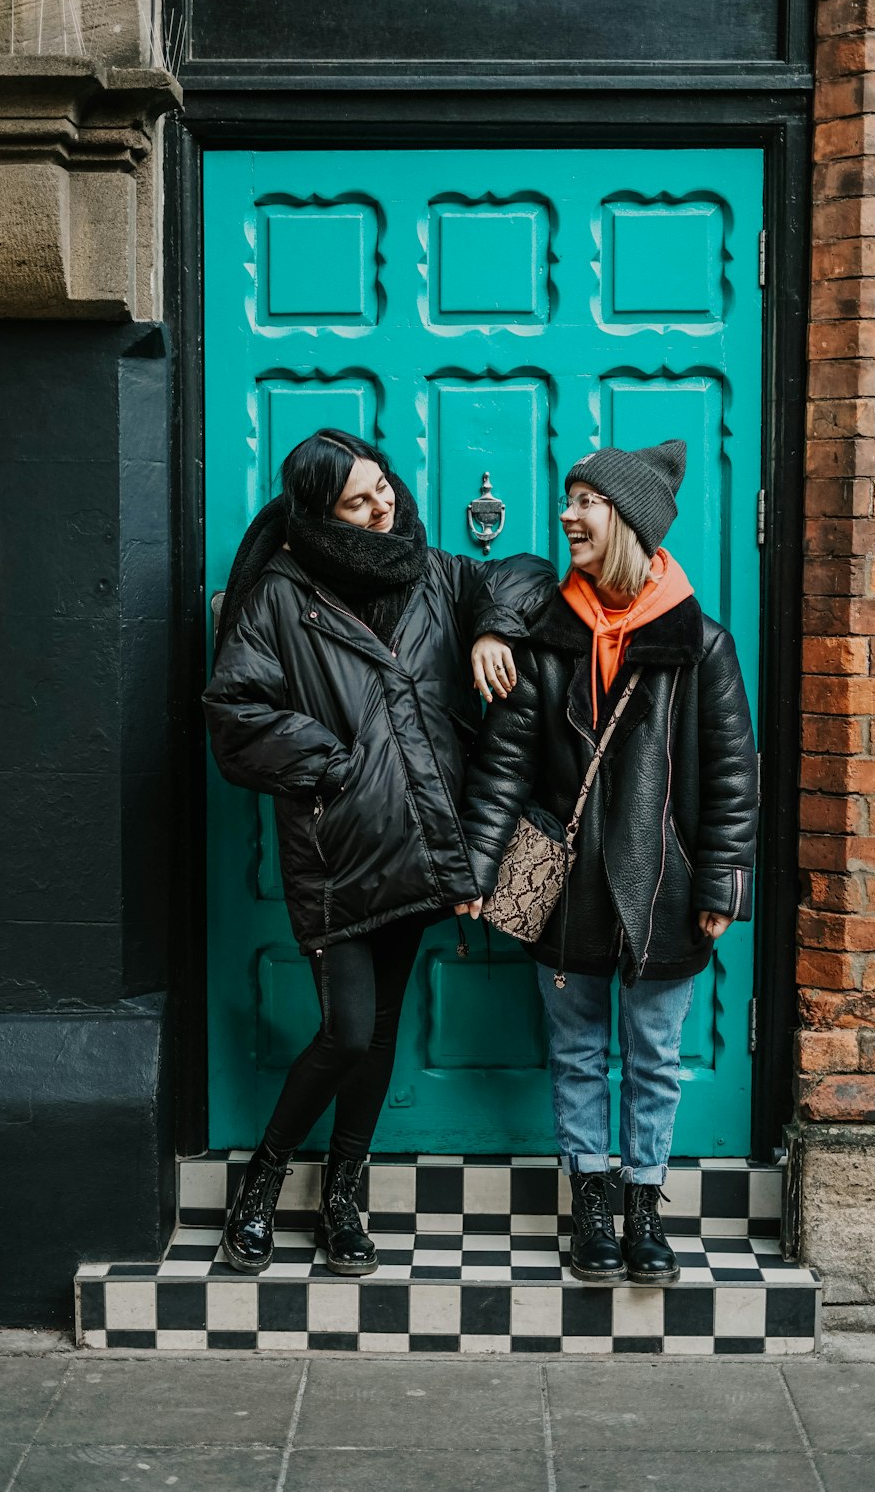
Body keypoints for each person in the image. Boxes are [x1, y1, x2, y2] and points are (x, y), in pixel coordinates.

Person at [203, 428, 554, 1277]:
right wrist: (337, 765)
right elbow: (233, 716)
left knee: (381, 1027)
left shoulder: (432, 571)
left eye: (384, 487)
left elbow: (531, 573)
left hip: (421, 848)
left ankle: (343, 1196)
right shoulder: (283, 594)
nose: (384, 506)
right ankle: (262, 1183)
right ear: (322, 512)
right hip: (336, 850)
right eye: (360, 501)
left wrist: (491, 629)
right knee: (346, 1030)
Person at [457, 441, 758, 1284]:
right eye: (567, 497)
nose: (567, 515)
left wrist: (721, 880)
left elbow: (732, 772)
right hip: (568, 890)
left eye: (585, 500)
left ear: (626, 519)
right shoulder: (547, 633)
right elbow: (505, 768)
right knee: (581, 1050)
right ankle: (591, 1202)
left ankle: (644, 1207)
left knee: (655, 1055)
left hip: (663, 889)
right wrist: (479, 871)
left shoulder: (701, 642)